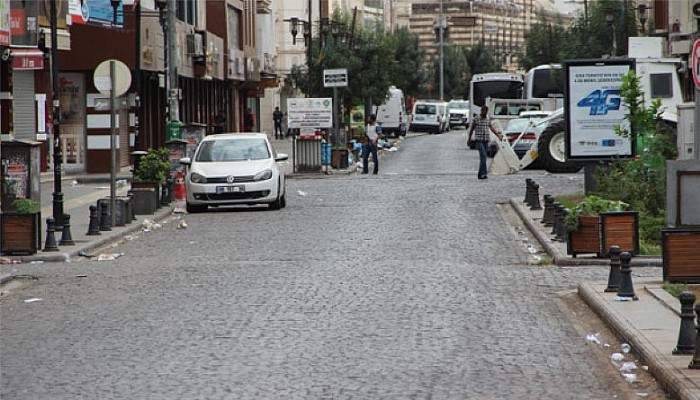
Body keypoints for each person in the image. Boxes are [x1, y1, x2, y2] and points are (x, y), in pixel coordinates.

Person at [468, 105, 501, 180]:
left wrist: (498, 135)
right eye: (483, 111)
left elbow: (491, 128)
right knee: (483, 156)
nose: (485, 113)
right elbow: (472, 129)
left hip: (486, 140)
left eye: (486, 111)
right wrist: (469, 139)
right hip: (479, 140)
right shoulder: (476, 118)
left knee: (484, 157)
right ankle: (483, 173)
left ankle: (481, 174)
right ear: (481, 111)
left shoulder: (487, 118)